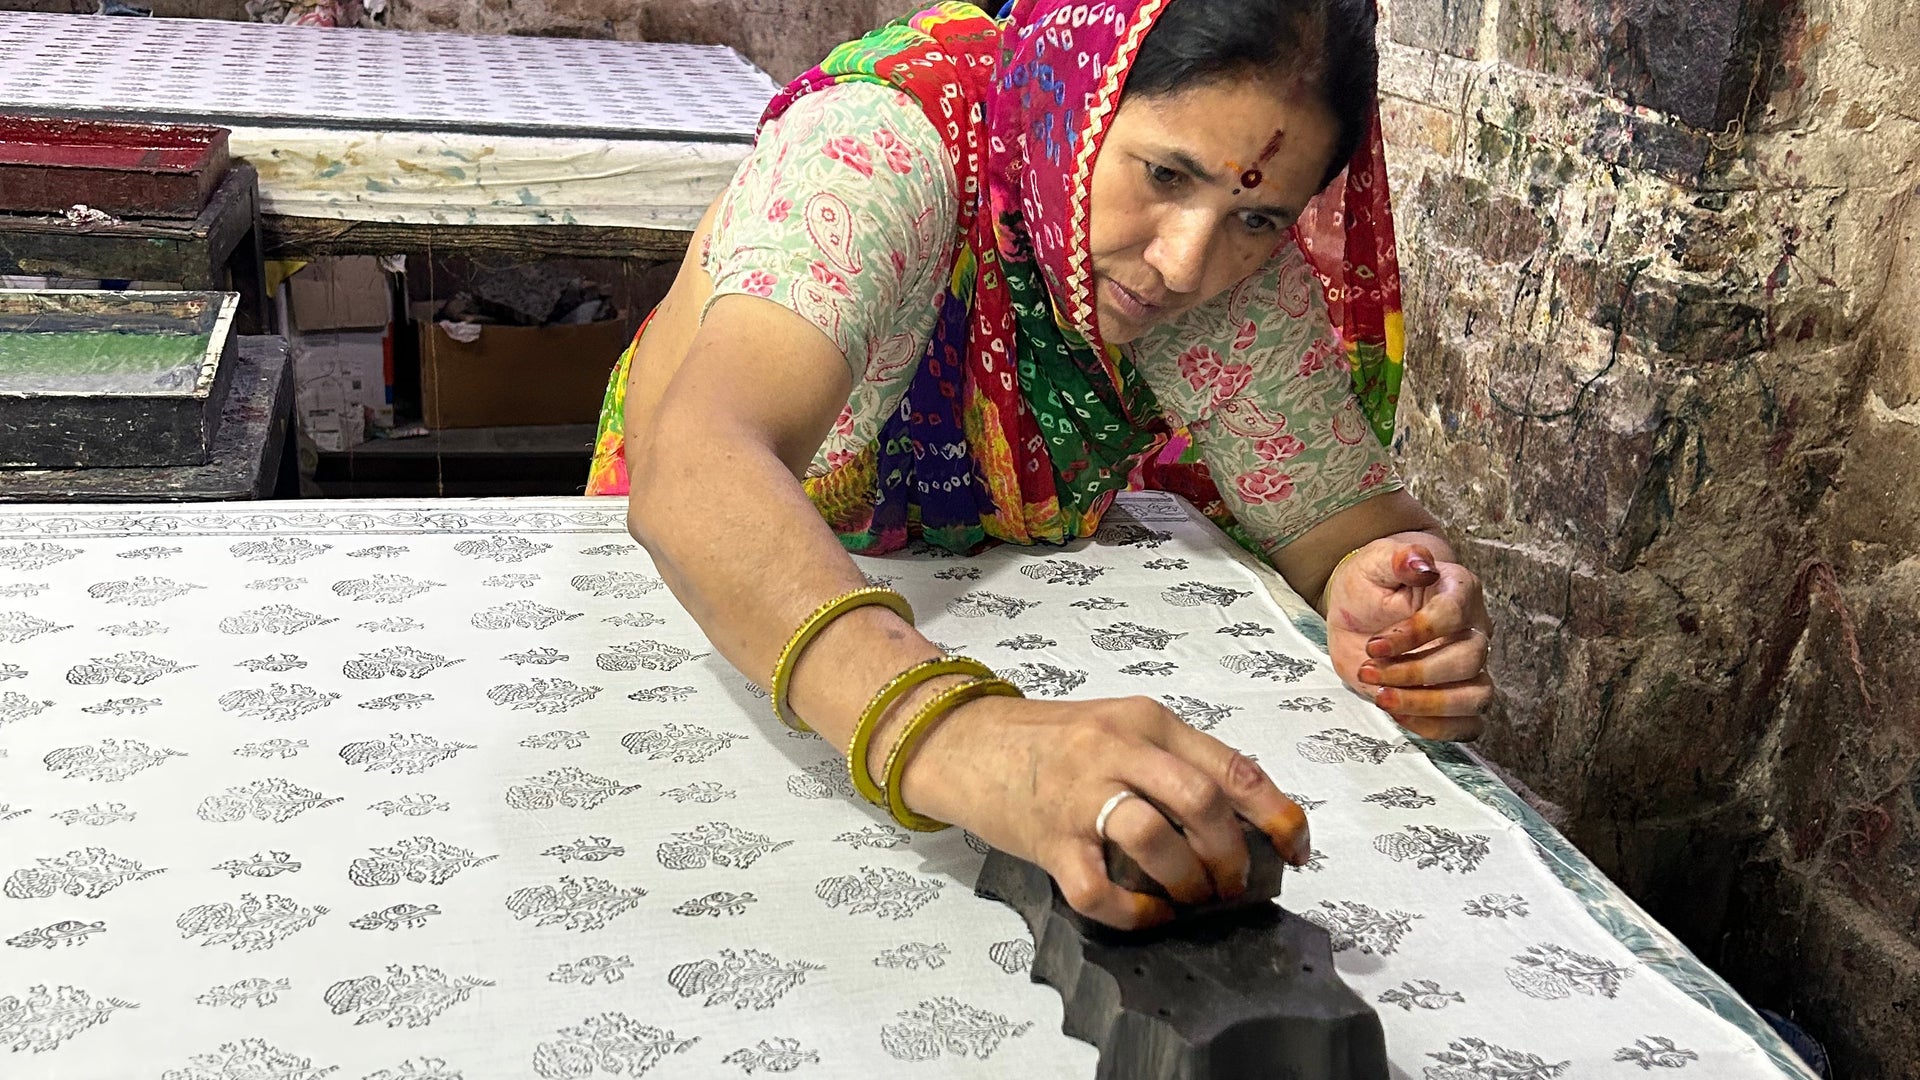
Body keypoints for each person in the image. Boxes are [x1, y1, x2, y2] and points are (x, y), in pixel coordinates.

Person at [588, 0, 1494, 930]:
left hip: (974, 605)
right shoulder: (879, 152)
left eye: (1260, 217)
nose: (1186, 264)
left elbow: (1341, 529)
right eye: (1164, 173)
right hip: (693, 591)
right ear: (1076, 90)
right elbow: (700, 467)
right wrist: (961, 737)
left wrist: (1391, 599)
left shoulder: (1224, 277)